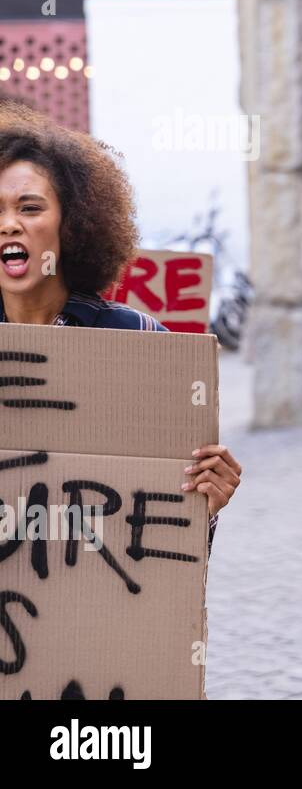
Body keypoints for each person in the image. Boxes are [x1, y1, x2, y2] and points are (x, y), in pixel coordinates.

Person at [0, 101, 243, 550]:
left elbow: (163, 550)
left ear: (70, 225)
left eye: (29, 208)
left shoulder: (139, 342)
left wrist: (201, 507)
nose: (9, 225)